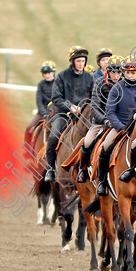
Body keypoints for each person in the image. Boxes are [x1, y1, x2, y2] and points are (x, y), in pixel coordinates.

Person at [94, 55, 136, 195]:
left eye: (133, 73)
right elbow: (110, 111)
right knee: (105, 147)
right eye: (128, 72)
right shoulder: (116, 88)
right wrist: (120, 127)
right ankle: (102, 182)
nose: (130, 75)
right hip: (120, 127)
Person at [44, 46, 94, 182]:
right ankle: (50, 169)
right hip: (63, 114)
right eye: (78, 61)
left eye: (83, 61)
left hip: (84, 115)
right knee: (54, 135)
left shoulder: (90, 78)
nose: (81, 64)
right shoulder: (61, 76)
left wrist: (84, 109)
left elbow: (94, 98)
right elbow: (56, 97)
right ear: (72, 61)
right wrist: (70, 106)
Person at [76, 54, 124, 183]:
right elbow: (94, 107)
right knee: (87, 142)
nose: (117, 75)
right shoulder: (99, 83)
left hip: (120, 123)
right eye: (114, 72)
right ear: (108, 71)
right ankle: (82, 168)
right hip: (100, 122)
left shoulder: (124, 85)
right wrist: (104, 120)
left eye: (120, 72)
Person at [24, 60, 56, 146]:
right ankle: (27, 149)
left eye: (49, 73)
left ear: (53, 72)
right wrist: (44, 113)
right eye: (45, 73)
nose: (46, 75)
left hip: (55, 113)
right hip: (42, 113)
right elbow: (39, 101)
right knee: (29, 128)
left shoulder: (58, 84)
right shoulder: (41, 84)